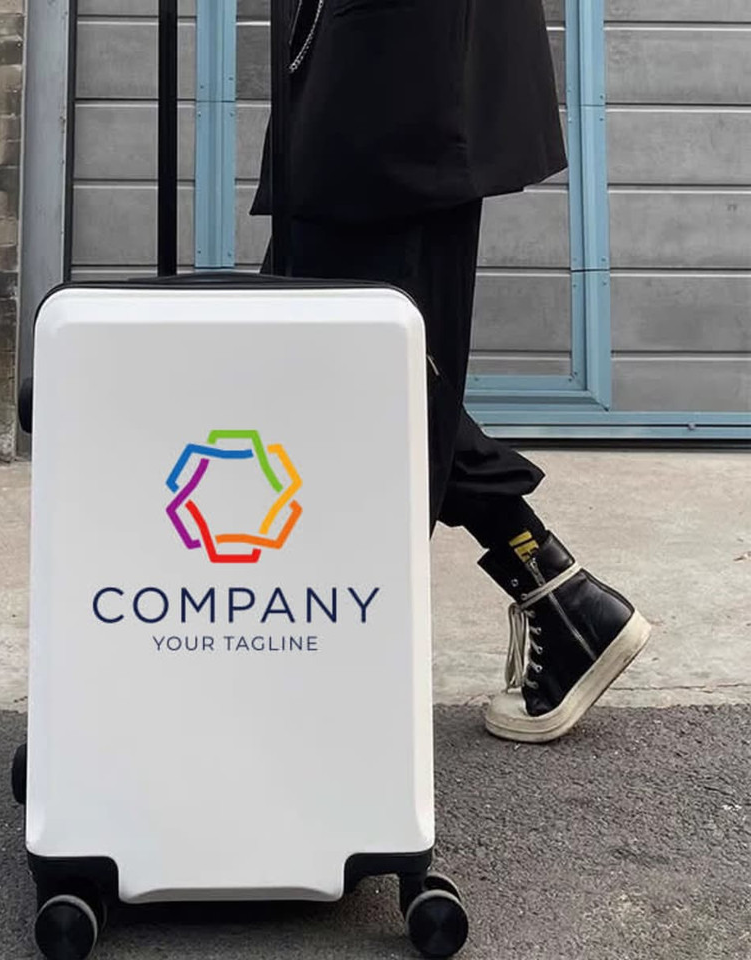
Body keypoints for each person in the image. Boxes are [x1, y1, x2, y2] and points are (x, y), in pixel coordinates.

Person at [252, 0, 651, 744]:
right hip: (382, 84)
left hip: (394, 84)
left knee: (361, 370)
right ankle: (563, 601)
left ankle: (340, 674)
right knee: (355, 367)